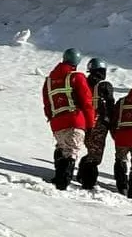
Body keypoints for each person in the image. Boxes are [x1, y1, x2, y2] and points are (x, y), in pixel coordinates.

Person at [41, 48, 96, 190]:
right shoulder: (77, 77)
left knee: (61, 148)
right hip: (75, 120)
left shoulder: (48, 81)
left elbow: (47, 106)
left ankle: (58, 178)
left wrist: (52, 119)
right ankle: (62, 183)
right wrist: (90, 125)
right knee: (71, 152)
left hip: (57, 122)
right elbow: (87, 103)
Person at [77, 57, 116, 189]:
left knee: (91, 151)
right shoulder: (105, 86)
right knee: (95, 156)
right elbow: (110, 105)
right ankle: (88, 181)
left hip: (84, 122)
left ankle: (82, 174)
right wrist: (112, 124)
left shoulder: (83, 83)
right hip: (99, 123)